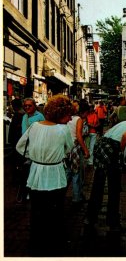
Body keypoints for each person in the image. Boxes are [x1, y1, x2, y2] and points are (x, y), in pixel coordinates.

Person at [16, 94, 74, 256]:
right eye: (68, 114)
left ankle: (36, 243)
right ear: (60, 113)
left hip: (36, 174)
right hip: (55, 174)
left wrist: (34, 156)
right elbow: (68, 149)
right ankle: (54, 243)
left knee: (36, 210)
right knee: (55, 211)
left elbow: (20, 146)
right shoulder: (63, 130)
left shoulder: (34, 127)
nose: (70, 119)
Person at [84, 120, 126, 232]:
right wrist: (120, 153)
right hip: (112, 149)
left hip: (101, 145)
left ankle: (90, 218)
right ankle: (113, 222)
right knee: (114, 188)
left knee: (98, 185)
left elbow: (112, 132)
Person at [17, 98, 45, 202]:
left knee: (34, 170)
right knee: (26, 171)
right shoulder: (24, 116)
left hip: (36, 147)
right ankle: (27, 192)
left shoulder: (40, 116)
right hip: (26, 148)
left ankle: (34, 191)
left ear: (34, 106)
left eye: (30, 105)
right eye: (26, 106)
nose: (27, 107)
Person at [66, 101, 90, 203]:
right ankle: (76, 198)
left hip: (66, 148)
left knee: (67, 173)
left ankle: (59, 194)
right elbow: (79, 136)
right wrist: (86, 150)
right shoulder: (78, 119)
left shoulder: (66, 119)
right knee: (76, 174)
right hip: (75, 149)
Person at [8, 98, 25, 183]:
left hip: (16, 140)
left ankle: (16, 178)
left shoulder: (18, 115)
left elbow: (15, 129)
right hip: (18, 140)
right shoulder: (22, 114)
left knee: (16, 160)